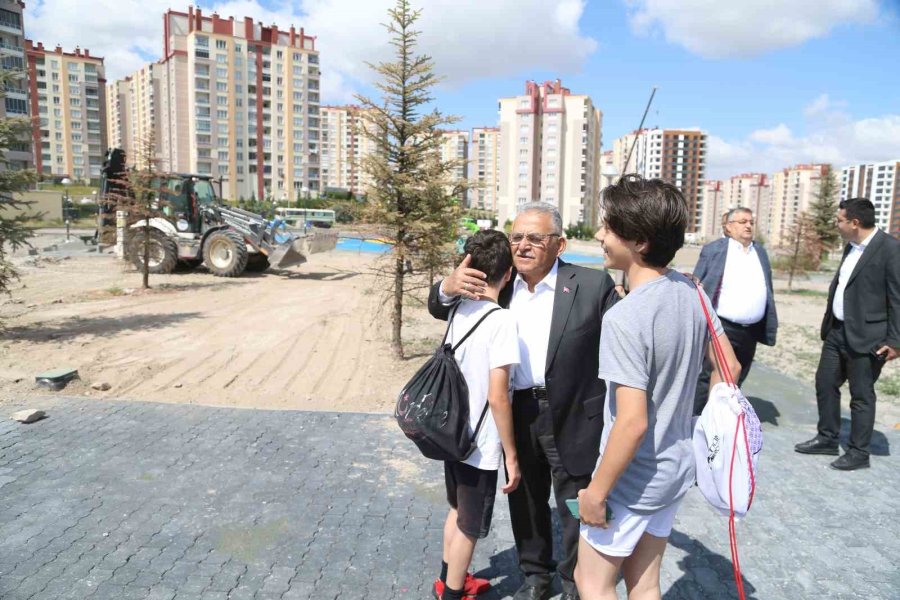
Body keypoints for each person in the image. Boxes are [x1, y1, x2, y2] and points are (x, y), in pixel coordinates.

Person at [429, 203, 618, 600]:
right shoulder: (501, 284)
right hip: (518, 411)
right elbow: (438, 305)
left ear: (560, 244)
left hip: (573, 414)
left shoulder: (591, 285)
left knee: (572, 503)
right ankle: (536, 577)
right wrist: (447, 284)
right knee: (526, 500)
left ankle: (573, 581)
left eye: (535, 238)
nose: (523, 245)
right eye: (516, 237)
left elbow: (624, 336)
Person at [574, 175, 741, 600]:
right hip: (676, 469)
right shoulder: (692, 289)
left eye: (609, 228)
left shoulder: (626, 318)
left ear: (641, 241)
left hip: (631, 479)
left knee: (591, 582)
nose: (599, 235)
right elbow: (731, 366)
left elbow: (631, 423)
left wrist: (597, 493)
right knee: (645, 584)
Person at [433, 229, 522, 600]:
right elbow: (499, 396)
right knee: (470, 525)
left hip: (451, 433)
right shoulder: (501, 321)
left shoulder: (459, 308)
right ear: (508, 274)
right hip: (480, 444)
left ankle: (447, 578)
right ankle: (453, 593)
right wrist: (511, 456)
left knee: (456, 509)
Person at [795, 198, 900, 471]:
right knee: (824, 383)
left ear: (854, 223)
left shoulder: (890, 249)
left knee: (861, 395)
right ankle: (827, 438)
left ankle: (858, 452)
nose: (836, 224)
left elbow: (898, 299)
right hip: (837, 331)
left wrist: (895, 342)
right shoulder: (851, 246)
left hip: (869, 337)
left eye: (839, 220)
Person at [692, 207, 778, 415]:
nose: (748, 225)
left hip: (751, 330)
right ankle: (695, 418)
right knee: (711, 374)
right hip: (722, 327)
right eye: (742, 222)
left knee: (738, 374)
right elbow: (698, 282)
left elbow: (767, 286)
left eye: (750, 221)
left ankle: (722, 420)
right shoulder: (715, 250)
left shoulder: (760, 252)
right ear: (729, 227)